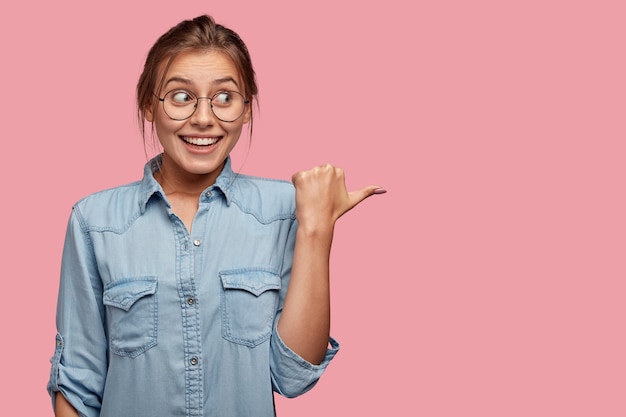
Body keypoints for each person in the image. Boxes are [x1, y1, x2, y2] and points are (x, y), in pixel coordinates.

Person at [47, 14, 385, 417]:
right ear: (148, 106)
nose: (204, 118)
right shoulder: (94, 221)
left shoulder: (286, 211)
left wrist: (316, 230)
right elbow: (78, 386)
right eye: (180, 96)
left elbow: (293, 377)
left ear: (246, 109)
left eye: (224, 98)